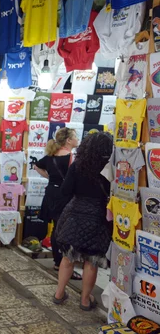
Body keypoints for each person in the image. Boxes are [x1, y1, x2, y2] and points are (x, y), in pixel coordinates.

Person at [53, 132, 113, 311]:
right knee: (92, 261)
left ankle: (59, 294)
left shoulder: (78, 164)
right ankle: (85, 300)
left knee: (68, 257)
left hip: (75, 215)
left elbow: (65, 190)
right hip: (98, 216)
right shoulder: (110, 167)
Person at [34, 128, 81, 280]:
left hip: (51, 193)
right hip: (65, 195)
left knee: (56, 227)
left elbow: (36, 166)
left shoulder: (50, 156)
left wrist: (50, 177)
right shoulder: (72, 158)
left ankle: (57, 261)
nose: (77, 139)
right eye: (75, 137)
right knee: (66, 229)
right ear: (68, 140)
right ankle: (64, 265)